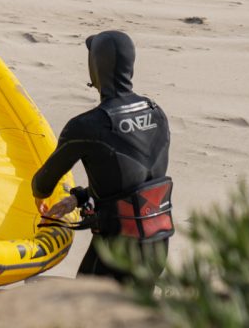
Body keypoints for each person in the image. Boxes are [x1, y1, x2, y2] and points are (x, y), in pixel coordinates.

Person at [31, 30, 173, 283]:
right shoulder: (156, 113)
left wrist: (40, 197)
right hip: (158, 243)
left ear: (94, 68)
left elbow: (42, 184)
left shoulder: (86, 126)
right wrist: (79, 197)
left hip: (115, 251)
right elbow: (136, 182)